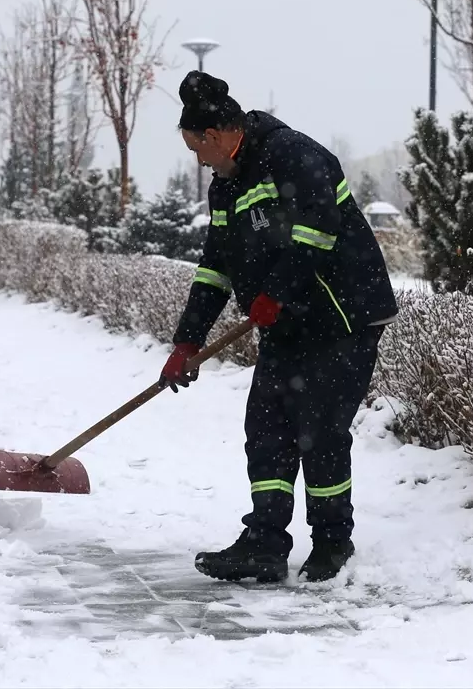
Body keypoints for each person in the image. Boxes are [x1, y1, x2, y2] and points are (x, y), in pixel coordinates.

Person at [160, 71, 398, 584]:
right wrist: (187, 340)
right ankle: (265, 543)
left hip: (342, 314)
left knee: (320, 430)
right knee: (266, 427)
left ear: (217, 135)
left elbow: (318, 230)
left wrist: (277, 291)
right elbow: (215, 267)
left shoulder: (293, 155)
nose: (200, 161)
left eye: (198, 149)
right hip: (287, 320)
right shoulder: (226, 187)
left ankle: (332, 542)